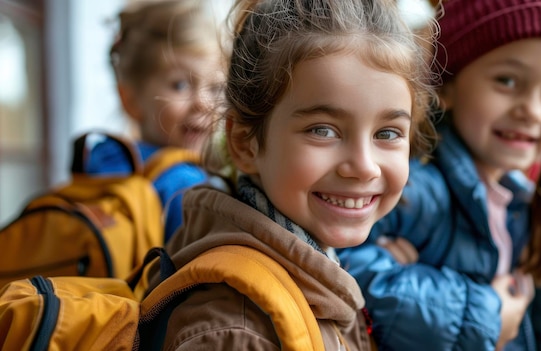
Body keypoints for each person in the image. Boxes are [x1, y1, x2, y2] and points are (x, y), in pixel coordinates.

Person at [139, 0, 437, 349]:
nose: (364, 166)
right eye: (323, 130)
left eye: (387, 133)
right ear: (245, 143)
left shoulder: (319, 273)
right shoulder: (236, 332)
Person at [338, 0, 541, 350]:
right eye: (507, 81)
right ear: (447, 87)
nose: (532, 111)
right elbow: (342, 268)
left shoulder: (515, 198)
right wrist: (486, 316)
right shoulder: (419, 187)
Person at [86, 0, 229, 243]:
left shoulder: (100, 158)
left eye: (216, 88)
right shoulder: (187, 187)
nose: (203, 104)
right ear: (130, 99)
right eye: (180, 85)